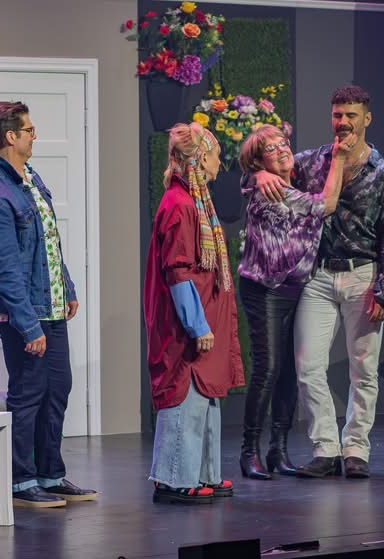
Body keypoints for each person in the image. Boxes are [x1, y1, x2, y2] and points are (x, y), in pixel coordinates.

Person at [255, 85, 384, 479]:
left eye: (351, 115)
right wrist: (258, 173)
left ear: (367, 118)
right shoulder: (310, 162)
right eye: (338, 115)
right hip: (318, 275)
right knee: (308, 366)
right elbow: (272, 168)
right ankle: (325, 448)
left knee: (363, 369)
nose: (343, 122)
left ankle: (356, 449)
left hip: (363, 275)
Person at [0, 101, 98, 508]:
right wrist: (28, 326)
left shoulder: (30, 179)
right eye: (28, 129)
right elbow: (4, 269)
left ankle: (50, 474)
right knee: (28, 394)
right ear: (11, 136)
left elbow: (48, 241)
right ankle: (21, 482)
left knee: (57, 387)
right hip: (24, 313)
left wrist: (68, 286)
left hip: (51, 305)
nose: (34, 134)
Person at [236, 124, 356, 480]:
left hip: (295, 289)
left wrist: (255, 173)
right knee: (268, 368)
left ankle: (278, 449)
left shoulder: (290, 181)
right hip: (265, 289)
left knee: (290, 370)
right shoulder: (270, 191)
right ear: (259, 161)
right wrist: (339, 158)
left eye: (283, 143)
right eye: (271, 149)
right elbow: (328, 204)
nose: (282, 150)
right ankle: (249, 451)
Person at [143, 121, 245, 505]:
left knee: (205, 397)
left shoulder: (195, 201)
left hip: (204, 319)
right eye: (216, 155)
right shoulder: (180, 205)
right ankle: (174, 479)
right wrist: (197, 324)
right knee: (184, 395)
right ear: (201, 158)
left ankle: (203, 474)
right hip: (187, 325)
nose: (220, 162)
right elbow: (178, 271)